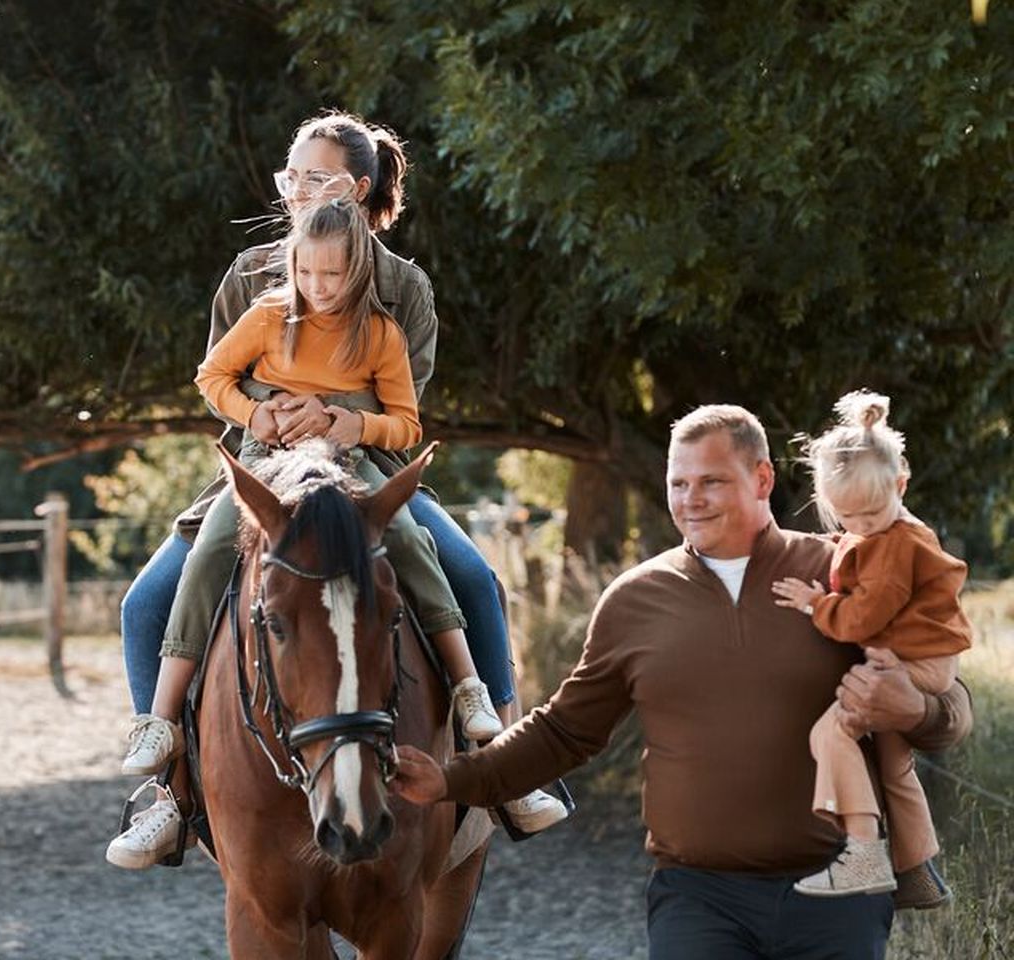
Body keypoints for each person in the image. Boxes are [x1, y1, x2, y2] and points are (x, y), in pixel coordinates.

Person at [111, 111, 566, 863]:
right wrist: (271, 415)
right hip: (265, 465)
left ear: (356, 189)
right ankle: (165, 792)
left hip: (368, 470)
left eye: (315, 178)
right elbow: (221, 378)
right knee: (145, 601)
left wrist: (331, 415)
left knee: (476, 578)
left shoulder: (403, 289)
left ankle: (506, 770)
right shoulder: (252, 275)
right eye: (291, 177)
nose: (296, 192)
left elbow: (403, 405)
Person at [391, 404, 973, 960]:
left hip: (838, 895)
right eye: (678, 484)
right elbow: (566, 731)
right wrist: (449, 780)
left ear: (763, 478)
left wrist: (916, 711)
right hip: (698, 898)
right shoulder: (635, 600)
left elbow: (949, 701)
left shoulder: (840, 573)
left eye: (711, 482)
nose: (690, 500)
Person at [771, 391, 970, 900]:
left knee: (830, 736)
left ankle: (863, 852)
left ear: (901, 484)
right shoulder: (886, 533)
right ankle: (918, 871)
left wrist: (817, 606)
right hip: (924, 657)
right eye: (847, 518)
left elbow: (864, 617)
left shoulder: (895, 545)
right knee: (893, 764)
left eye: (872, 513)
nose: (860, 528)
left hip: (915, 664)